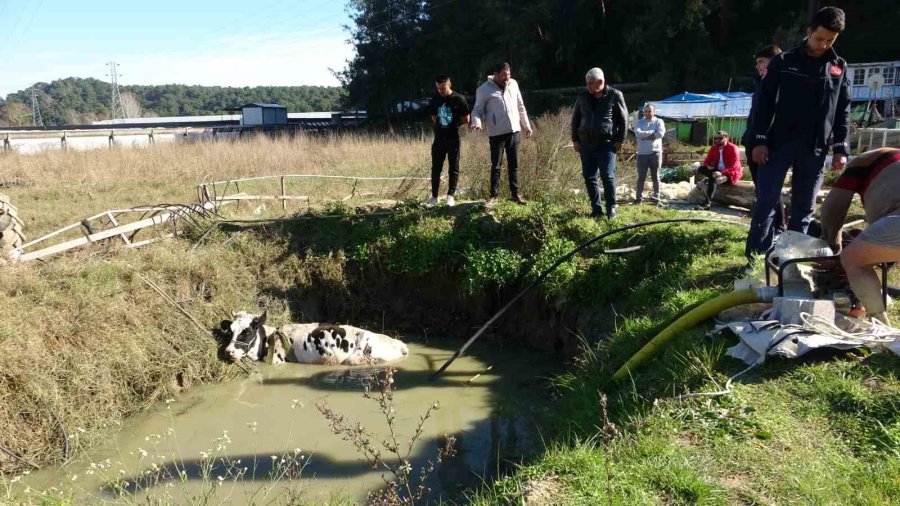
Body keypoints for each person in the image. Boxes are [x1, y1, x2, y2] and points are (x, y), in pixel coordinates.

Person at [746, 6, 851, 257]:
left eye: (830, 40)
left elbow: (842, 109)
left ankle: (790, 260)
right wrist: (759, 140)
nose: (823, 44)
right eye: (819, 38)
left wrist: (841, 148)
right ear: (809, 31)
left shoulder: (838, 67)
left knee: (804, 207)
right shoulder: (784, 62)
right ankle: (755, 258)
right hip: (778, 143)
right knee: (767, 201)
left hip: (815, 146)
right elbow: (763, 104)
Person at [819, 148, 900, 325]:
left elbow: (833, 208)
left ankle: (881, 326)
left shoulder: (863, 162)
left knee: (853, 259)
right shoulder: (892, 165)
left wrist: (833, 247)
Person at [742, 45, 784, 257]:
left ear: (774, 61)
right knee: (763, 190)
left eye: (762, 61)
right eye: (757, 62)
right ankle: (770, 229)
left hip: (767, 145)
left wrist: (763, 141)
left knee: (769, 191)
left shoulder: (780, 85)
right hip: (753, 142)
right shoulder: (761, 84)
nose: (758, 66)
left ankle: (778, 229)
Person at [470, 62, 533, 205]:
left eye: (508, 75)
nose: (507, 78)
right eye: (504, 75)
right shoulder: (483, 90)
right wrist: (477, 123)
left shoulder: (513, 84)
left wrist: (526, 126)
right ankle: (494, 196)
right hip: (496, 133)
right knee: (496, 165)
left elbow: (521, 106)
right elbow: (477, 110)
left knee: (514, 164)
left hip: (514, 130)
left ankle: (515, 194)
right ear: (495, 74)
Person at [571, 67, 628, 219]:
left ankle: (611, 207)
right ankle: (596, 209)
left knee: (607, 176)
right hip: (586, 144)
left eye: (591, 83)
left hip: (607, 144)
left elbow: (624, 119)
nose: (588, 86)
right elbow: (576, 118)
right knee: (589, 177)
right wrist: (575, 139)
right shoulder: (582, 96)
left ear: (600, 82)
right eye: (587, 83)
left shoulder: (615, 95)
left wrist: (620, 140)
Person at [427, 75, 470, 207]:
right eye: (438, 88)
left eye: (443, 88)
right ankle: (434, 197)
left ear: (449, 84)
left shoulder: (459, 99)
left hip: (453, 138)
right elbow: (434, 116)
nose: (440, 90)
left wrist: (454, 125)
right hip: (439, 139)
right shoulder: (435, 99)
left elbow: (466, 118)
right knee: (436, 168)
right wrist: (442, 125)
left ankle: (450, 196)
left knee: (453, 168)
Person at [696, 131, 742, 210]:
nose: (717, 140)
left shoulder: (733, 148)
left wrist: (721, 172)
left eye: (720, 138)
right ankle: (714, 177)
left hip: (730, 173)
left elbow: (734, 166)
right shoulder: (714, 148)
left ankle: (707, 203)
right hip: (717, 171)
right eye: (715, 138)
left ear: (726, 138)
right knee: (701, 169)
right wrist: (708, 165)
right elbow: (706, 161)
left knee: (713, 179)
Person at [633, 104, 665, 204]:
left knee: (656, 177)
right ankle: (638, 198)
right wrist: (652, 133)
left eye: (649, 111)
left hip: (655, 153)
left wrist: (645, 135)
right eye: (645, 111)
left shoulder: (659, 121)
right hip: (642, 154)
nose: (647, 113)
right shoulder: (639, 122)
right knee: (641, 177)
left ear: (654, 112)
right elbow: (638, 134)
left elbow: (660, 134)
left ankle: (657, 198)